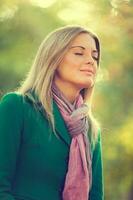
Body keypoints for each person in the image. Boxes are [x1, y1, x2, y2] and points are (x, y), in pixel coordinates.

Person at [0, 25, 104, 200]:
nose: (91, 61)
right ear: (53, 59)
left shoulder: (91, 129)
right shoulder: (17, 107)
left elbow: (95, 196)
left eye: (95, 56)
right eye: (79, 53)